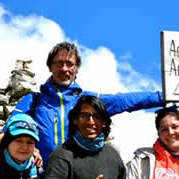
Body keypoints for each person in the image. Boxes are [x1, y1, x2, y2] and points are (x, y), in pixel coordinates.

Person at [11, 41, 164, 164]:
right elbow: (11, 129)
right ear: (50, 67)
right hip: (40, 177)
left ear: (77, 68)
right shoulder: (33, 101)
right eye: (59, 63)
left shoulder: (86, 101)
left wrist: (163, 97)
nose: (64, 69)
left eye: (70, 64)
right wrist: (31, 150)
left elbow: (123, 101)